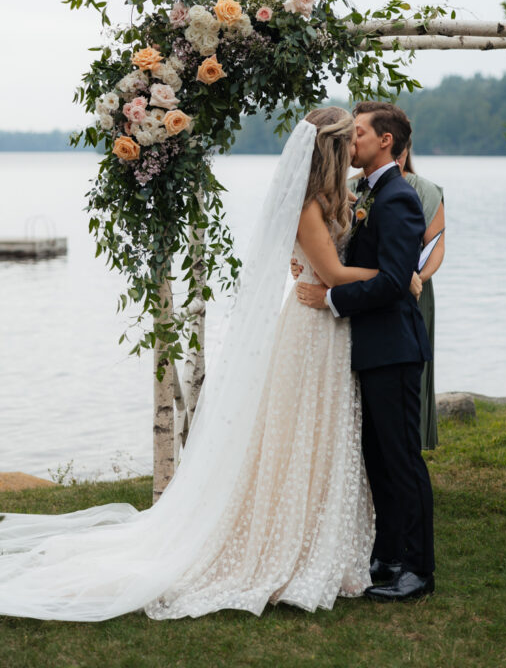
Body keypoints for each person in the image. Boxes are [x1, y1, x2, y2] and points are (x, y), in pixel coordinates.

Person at [0, 107, 417, 620]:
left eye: (360, 135)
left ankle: (331, 539)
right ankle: (293, 541)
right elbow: (330, 270)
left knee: (326, 433)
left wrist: (358, 269)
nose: (354, 145)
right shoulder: (312, 203)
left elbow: (330, 259)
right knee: (300, 432)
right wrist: (398, 277)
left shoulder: (345, 197)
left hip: (333, 328)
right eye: (348, 139)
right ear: (331, 150)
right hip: (313, 327)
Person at [296, 101, 435, 602]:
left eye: (358, 134)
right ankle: (389, 555)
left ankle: (419, 570)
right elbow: (352, 257)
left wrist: (331, 296)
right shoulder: (360, 193)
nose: (350, 142)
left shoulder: (397, 198)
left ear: (385, 142)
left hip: (393, 347)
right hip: (366, 347)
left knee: (402, 462)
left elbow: (396, 281)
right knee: (377, 460)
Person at [397, 140, 445, 450]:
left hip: (417, 290)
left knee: (413, 371)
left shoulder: (427, 191)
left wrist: (418, 278)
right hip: (366, 287)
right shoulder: (351, 186)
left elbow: (437, 246)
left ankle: (411, 445)